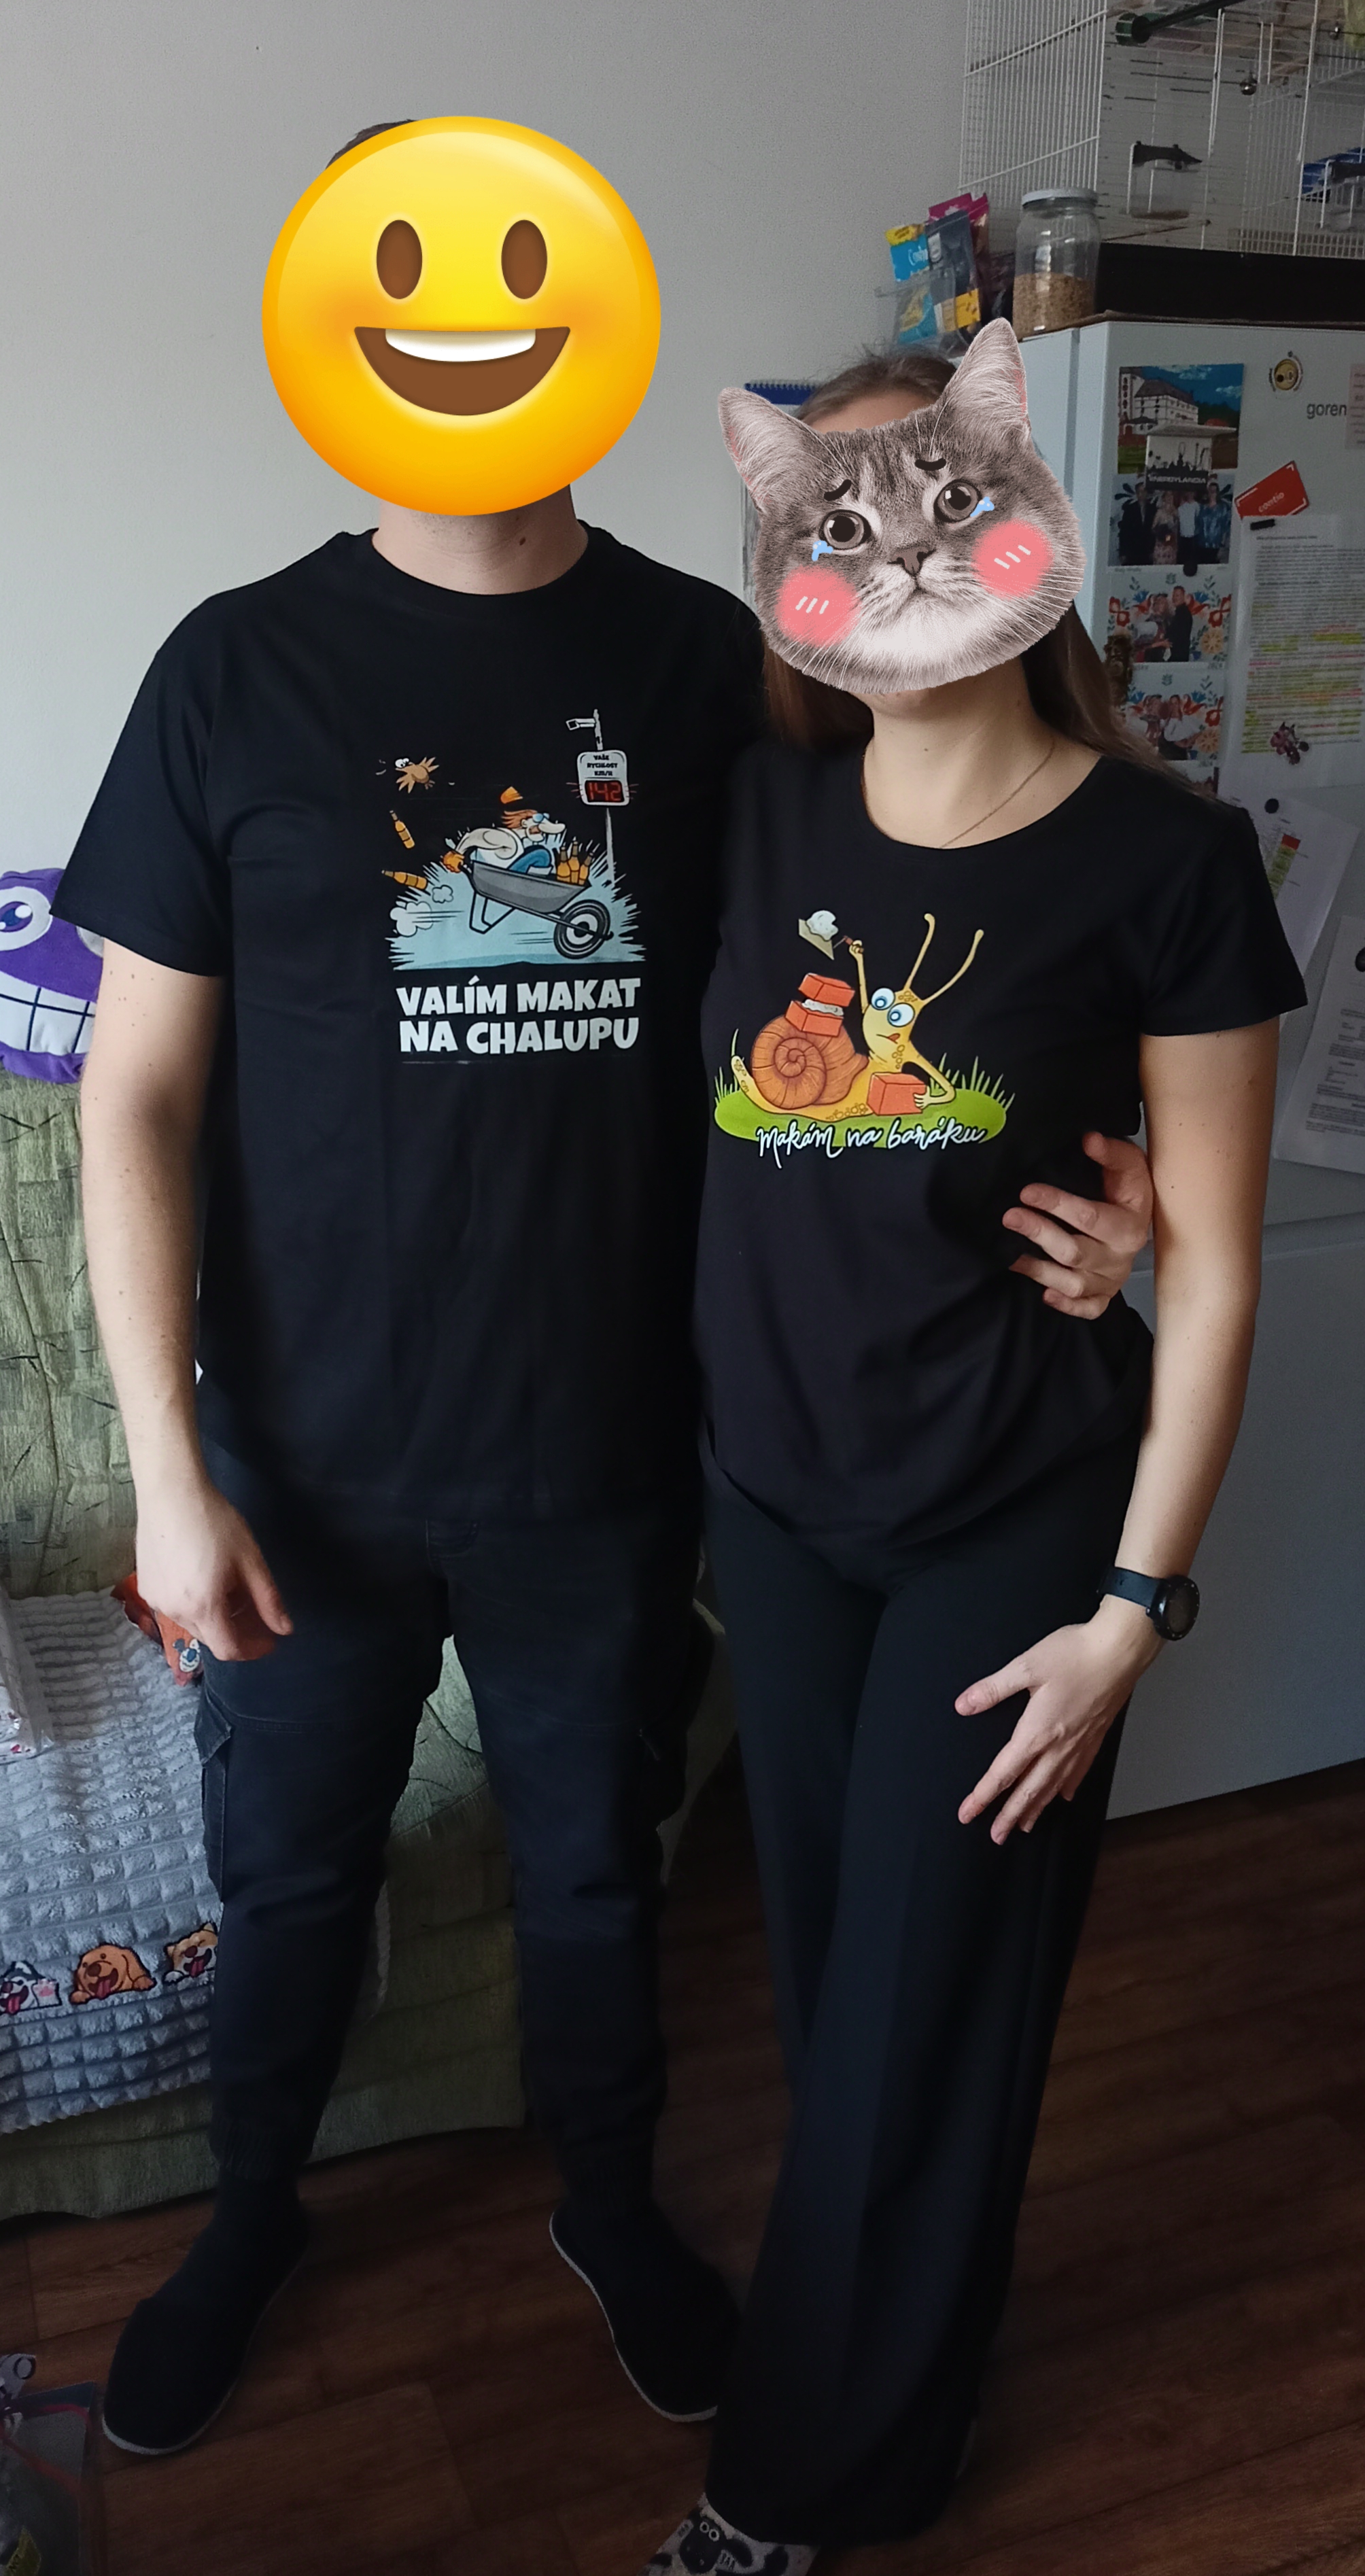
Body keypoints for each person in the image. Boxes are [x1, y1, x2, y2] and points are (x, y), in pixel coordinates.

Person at [54, 153, 1154, 2464]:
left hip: (618, 1449)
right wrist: (164, 1471)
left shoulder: (711, 662)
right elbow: (131, 1095)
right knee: (289, 1872)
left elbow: (966, 881)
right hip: (305, 1461)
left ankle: (611, 2202)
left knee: (590, 1872)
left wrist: (1129, 1174)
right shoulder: (230, 668)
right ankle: (245, 2220)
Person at [644, 343, 1304, 2573]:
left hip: (1011, 1522)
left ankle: (787, 2487)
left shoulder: (1167, 858)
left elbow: (1213, 1269)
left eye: (940, 504)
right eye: (840, 522)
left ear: (1020, 516)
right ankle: (901, 2397)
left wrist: (1133, 1610)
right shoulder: (750, 816)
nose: (902, 554)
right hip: (774, 1510)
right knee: (850, 1992)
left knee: (924, 2013)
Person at [1116, 476, 1153, 565]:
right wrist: (1123, 552)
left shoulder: (1153, 509)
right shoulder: (1130, 509)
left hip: (1147, 550)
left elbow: (1154, 532)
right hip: (1132, 550)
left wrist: (1153, 550)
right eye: (1139, 492)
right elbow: (1124, 532)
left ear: (1147, 493)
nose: (1141, 494)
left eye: (1143, 492)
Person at [1197, 476, 1232, 563]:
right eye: (1210, 491)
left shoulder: (1224, 508)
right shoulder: (1202, 508)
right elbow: (1197, 524)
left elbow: (1227, 527)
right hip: (1202, 545)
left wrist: (1223, 544)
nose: (1212, 494)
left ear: (1217, 492)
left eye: (1214, 491)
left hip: (1217, 545)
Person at [1165, 583, 1194, 663]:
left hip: (1178, 655)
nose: (1175, 598)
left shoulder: (1183, 613)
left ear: (1183, 597)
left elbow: (1178, 635)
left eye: (1177, 596)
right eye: (1174, 595)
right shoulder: (1178, 612)